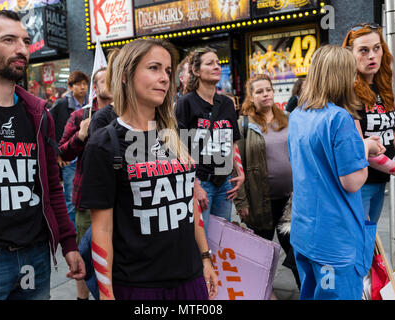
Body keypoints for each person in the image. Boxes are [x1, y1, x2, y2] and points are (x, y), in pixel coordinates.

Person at [0, 10, 85, 300]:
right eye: (9, 40)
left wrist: (69, 244)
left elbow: (51, 187)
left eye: (25, 41)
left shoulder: (38, 114)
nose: (22, 49)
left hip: (34, 259)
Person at [79, 38, 218, 300]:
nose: (165, 78)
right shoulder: (105, 143)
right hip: (138, 285)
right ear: (126, 75)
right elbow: (102, 229)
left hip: (190, 279)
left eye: (168, 71)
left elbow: (189, 204)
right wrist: (107, 294)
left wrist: (206, 258)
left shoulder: (173, 134)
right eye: (154, 68)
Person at [288, 45, 384, 300]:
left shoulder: (298, 114)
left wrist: (358, 145)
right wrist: (365, 148)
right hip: (334, 241)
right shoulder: (340, 118)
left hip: (304, 232)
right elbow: (353, 181)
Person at [234, 74, 300, 289]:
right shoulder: (244, 125)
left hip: (290, 202)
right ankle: (261, 292)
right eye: (259, 91)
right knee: (260, 256)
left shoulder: (288, 119)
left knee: (297, 254)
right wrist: (241, 202)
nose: (265, 95)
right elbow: (236, 165)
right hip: (260, 200)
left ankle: (307, 292)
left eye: (268, 90)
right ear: (251, 97)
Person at [175, 47, 244, 236]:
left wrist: (240, 172)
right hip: (200, 181)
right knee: (201, 239)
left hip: (224, 183)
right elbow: (178, 147)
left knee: (221, 241)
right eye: (209, 63)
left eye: (217, 63)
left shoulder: (227, 103)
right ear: (196, 71)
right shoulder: (186, 103)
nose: (216, 66)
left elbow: (232, 141)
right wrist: (194, 186)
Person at [58, 67, 113, 300]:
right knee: (84, 255)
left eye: (111, 79)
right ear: (95, 87)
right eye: (102, 80)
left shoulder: (129, 113)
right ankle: (83, 298)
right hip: (88, 200)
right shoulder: (81, 116)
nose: (107, 84)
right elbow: (62, 153)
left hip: (120, 199)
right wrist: (80, 136)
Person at [342, 23, 395, 223]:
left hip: (380, 181)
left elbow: (391, 134)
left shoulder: (382, 87)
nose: (372, 55)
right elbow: (361, 148)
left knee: (370, 245)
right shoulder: (347, 93)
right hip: (359, 184)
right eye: (363, 50)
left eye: (377, 48)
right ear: (349, 54)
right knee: (361, 247)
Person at [49, 70, 89, 229]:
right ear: (70, 87)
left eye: (85, 84)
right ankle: (71, 232)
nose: (83, 87)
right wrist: (56, 153)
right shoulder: (61, 104)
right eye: (79, 84)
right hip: (69, 159)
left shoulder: (90, 104)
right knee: (71, 199)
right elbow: (49, 127)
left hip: (86, 157)